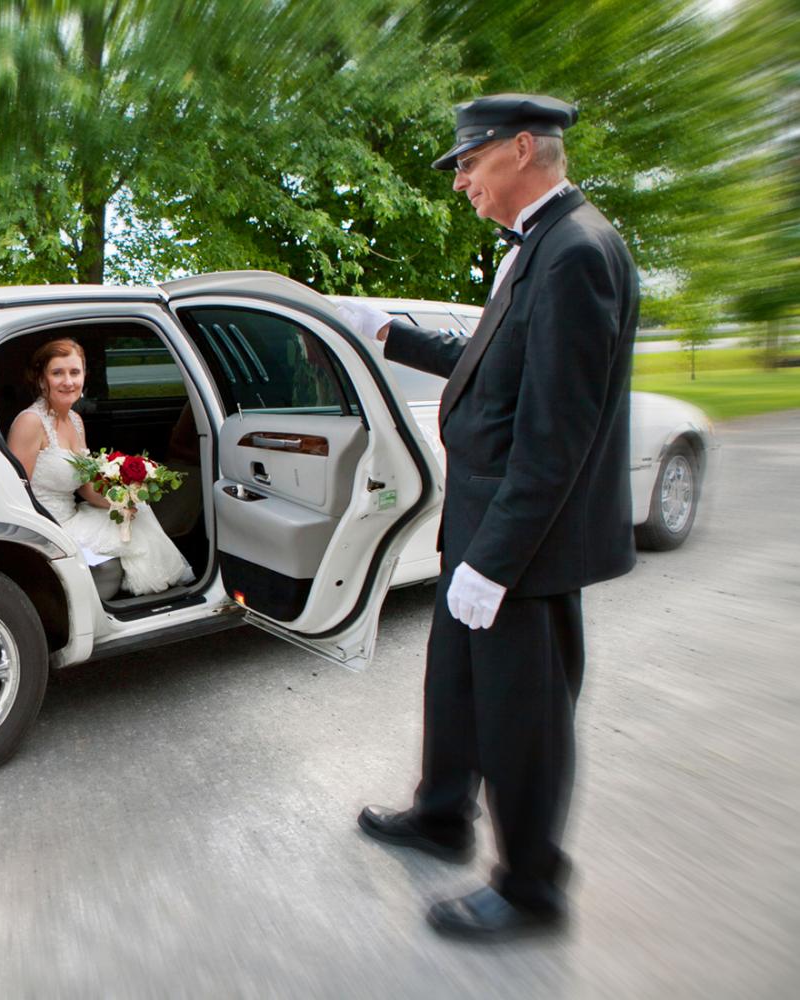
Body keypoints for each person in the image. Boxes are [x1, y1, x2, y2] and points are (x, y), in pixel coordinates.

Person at [335, 94, 639, 940]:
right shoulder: (538, 245)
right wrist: (390, 333)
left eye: (469, 162)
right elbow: (492, 360)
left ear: (521, 149)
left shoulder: (576, 250)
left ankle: (532, 888)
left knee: (525, 719)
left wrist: (498, 561)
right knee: (459, 688)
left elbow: (559, 434)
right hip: (485, 518)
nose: (461, 179)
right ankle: (442, 816)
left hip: (526, 540)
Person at [7, 338, 194, 596]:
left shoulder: (75, 419)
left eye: (75, 372)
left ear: (84, 376)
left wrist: (120, 500)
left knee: (139, 511)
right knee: (134, 540)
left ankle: (159, 603)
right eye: (57, 373)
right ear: (41, 380)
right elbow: (15, 493)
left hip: (72, 516)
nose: (68, 381)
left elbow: (84, 485)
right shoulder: (30, 422)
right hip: (48, 526)